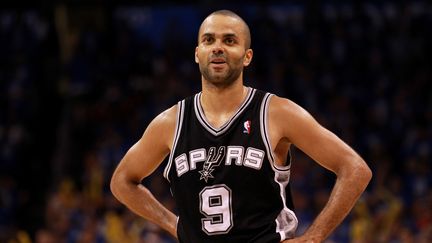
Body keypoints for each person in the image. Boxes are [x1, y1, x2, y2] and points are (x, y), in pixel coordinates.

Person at [110, 9, 372, 243]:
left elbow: (355, 169)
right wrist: (173, 224)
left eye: (230, 40)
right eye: (209, 40)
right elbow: (122, 181)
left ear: (247, 57)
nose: (217, 47)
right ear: (197, 53)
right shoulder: (170, 122)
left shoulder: (276, 112)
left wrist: (314, 237)